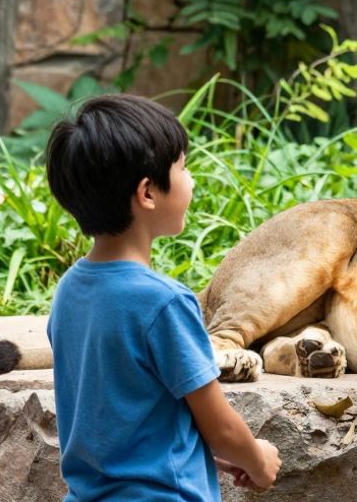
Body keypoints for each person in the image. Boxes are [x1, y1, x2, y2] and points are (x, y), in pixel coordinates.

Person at [45, 95, 281, 501]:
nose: (191, 180)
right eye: (184, 168)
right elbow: (222, 429)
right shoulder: (164, 303)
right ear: (148, 192)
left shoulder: (69, 291)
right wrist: (258, 460)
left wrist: (202, 453)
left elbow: (120, 415)